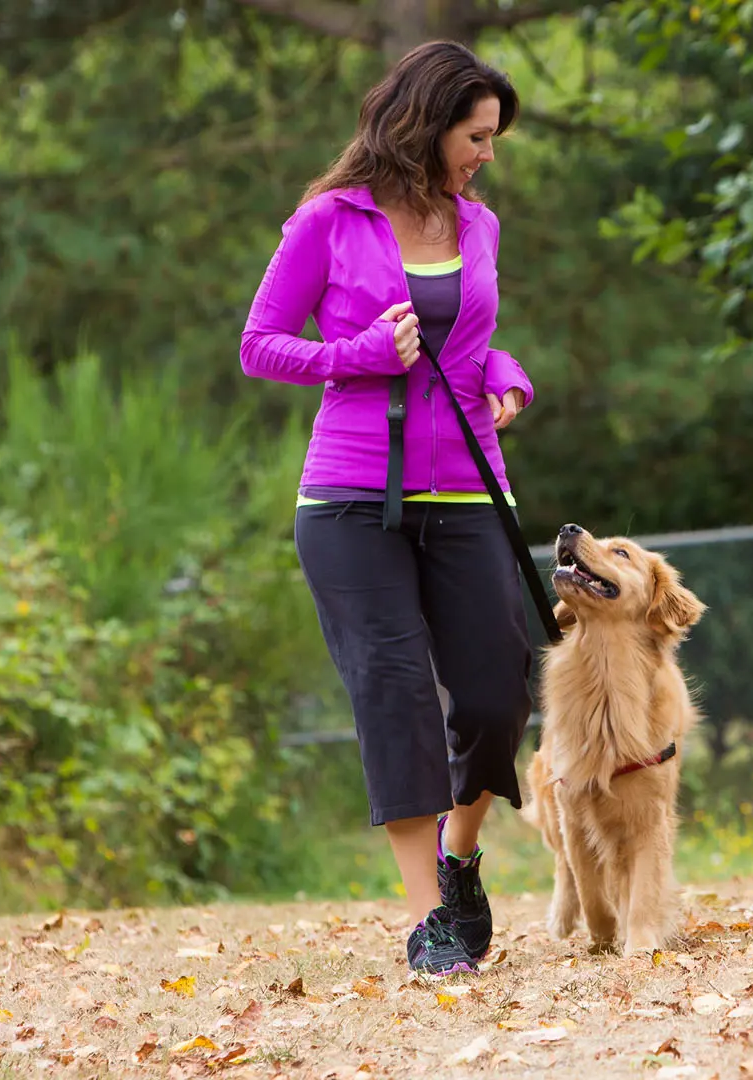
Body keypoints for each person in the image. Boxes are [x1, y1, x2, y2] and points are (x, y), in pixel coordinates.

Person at [239, 41, 534, 977]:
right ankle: (429, 923)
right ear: (427, 123)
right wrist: (354, 353)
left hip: (468, 487)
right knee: (396, 695)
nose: (485, 152)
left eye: (491, 137)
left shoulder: (477, 225)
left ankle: (459, 857)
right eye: (475, 135)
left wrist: (510, 379)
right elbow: (260, 344)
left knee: (498, 690)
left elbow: (476, 343)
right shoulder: (326, 222)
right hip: (350, 496)